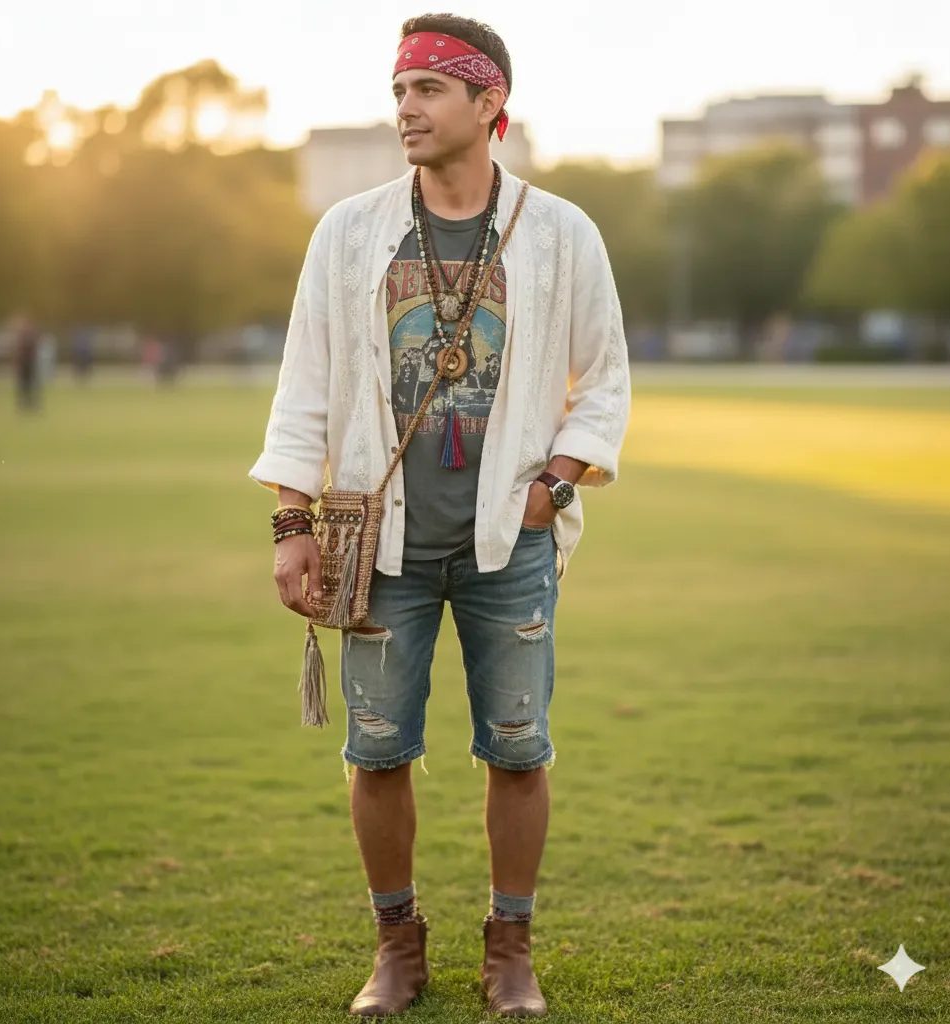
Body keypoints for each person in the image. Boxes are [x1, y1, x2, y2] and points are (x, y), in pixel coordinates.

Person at [248, 13, 630, 1018]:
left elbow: (606, 382)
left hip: (512, 543)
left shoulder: (559, 233)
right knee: (375, 748)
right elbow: (304, 386)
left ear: (487, 100)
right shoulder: (349, 232)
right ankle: (396, 947)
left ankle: (510, 949)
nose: (404, 109)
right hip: (384, 552)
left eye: (425, 90)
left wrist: (552, 483)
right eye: (398, 92)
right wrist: (291, 528)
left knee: (517, 744)